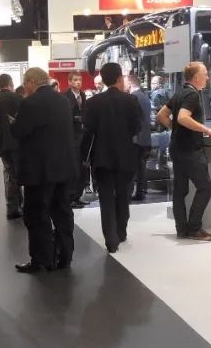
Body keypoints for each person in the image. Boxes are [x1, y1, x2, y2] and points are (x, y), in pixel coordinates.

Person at [11, 67, 77, 273]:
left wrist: (13, 123)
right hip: (63, 167)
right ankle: (65, 256)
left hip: (39, 170)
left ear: (31, 82)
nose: (25, 88)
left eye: (25, 84)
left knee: (37, 214)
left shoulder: (30, 103)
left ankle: (42, 259)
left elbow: (19, 131)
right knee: (62, 211)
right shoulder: (63, 101)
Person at [82, 63, 141, 254]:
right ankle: (121, 231)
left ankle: (110, 239)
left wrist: (83, 156)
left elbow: (88, 131)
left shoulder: (93, 102)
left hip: (102, 157)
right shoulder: (131, 100)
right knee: (123, 194)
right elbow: (137, 128)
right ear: (119, 78)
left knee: (106, 197)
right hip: (125, 155)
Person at [157, 62, 211, 242]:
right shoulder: (192, 94)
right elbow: (183, 117)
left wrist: (175, 128)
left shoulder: (179, 93)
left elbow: (161, 115)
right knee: (205, 187)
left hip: (177, 147)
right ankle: (194, 228)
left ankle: (182, 229)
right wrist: (206, 130)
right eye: (205, 74)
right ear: (196, 77)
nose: (207, 77)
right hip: (190, 149)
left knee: (180, 190)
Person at [0, 73, 24, 219]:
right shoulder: (18, 98)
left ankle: (13, 206)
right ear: (10, 83)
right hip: (19, 143)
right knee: (21, 174)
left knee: (9, 174)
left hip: (2, 144)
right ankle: (19, 205)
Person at [64, 72, 89, 208]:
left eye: (79, 79)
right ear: (69, 82)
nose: (78, 82)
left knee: (83, 167)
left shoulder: (83, 95)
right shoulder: (65, 97)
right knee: (74, 167)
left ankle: (78, 195)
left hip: (83, 136)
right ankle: (71, 196)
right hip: (72, 137)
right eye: (75, 80)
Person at [127, 73, 152, 202]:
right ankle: (141, 191)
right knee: (141, 167)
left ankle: (130, 192)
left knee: (132, 167)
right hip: (145, 138)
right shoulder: (145, 97)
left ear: (130, 83)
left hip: (136, 139)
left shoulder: (133, 97)